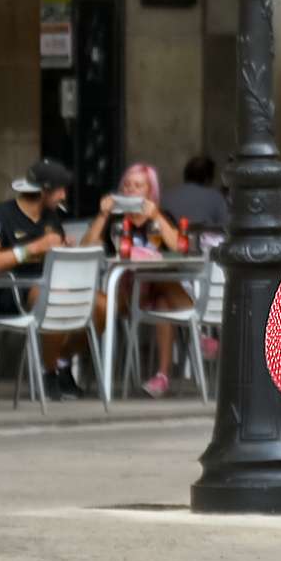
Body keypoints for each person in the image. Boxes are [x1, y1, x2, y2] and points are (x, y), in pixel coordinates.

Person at [80, 163, 189, 398]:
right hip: (123, 292)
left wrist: (156, 215)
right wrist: (103, 214)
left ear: (150, 192)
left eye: (138, 186)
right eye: (127, 185)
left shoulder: (161, 216)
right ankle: (196, 330)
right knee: (161, 278)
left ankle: (162, 376)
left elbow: (179, 251)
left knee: (163, 301)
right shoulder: (115, 220)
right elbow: (85, 248)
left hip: (154, 293)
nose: (130, 190)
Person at [0, 159, 80, 400]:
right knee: (57, 299)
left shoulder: (52, 216)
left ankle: (60, 362)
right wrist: (32, 249)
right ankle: (49, 371)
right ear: (44, 191)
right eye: (60, 189)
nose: (64, 194)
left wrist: (62, 248)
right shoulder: (1, 214)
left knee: (101, 306)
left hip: (51, 285)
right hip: (10, 291)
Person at [163, 155, 229, 231]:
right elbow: (225, 227)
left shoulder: (166, 196)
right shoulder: (216, 197)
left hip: (172, 240)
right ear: (208, 178)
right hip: (203, 241)